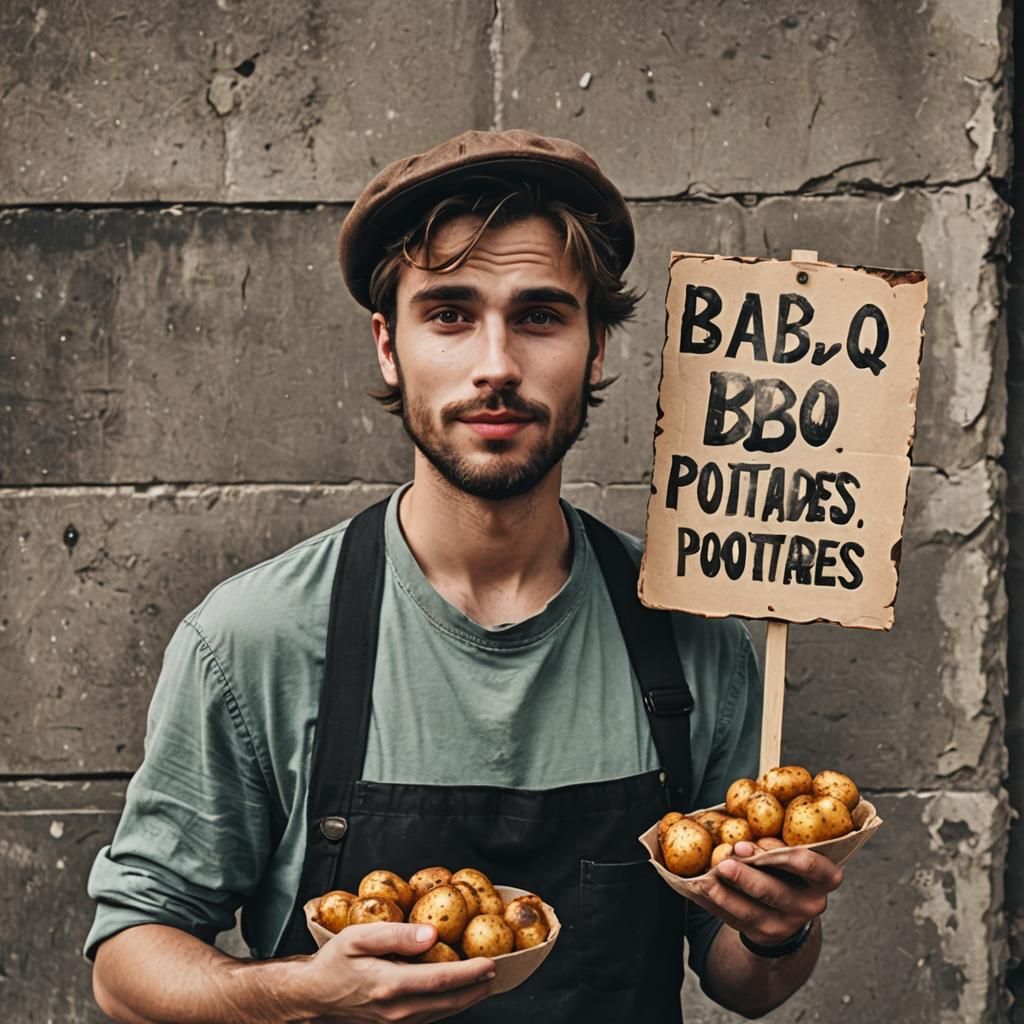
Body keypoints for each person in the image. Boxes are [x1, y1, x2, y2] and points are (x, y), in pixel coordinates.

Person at [87, 129, 844, 1023]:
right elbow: (127, 965)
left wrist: (776, 932)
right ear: (387, 346)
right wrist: (302, 991)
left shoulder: (693, 635)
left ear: (596, 349)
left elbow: (742, 985)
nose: (496, 365)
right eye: (449, 313)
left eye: (539, 316)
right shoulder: (252, 640)